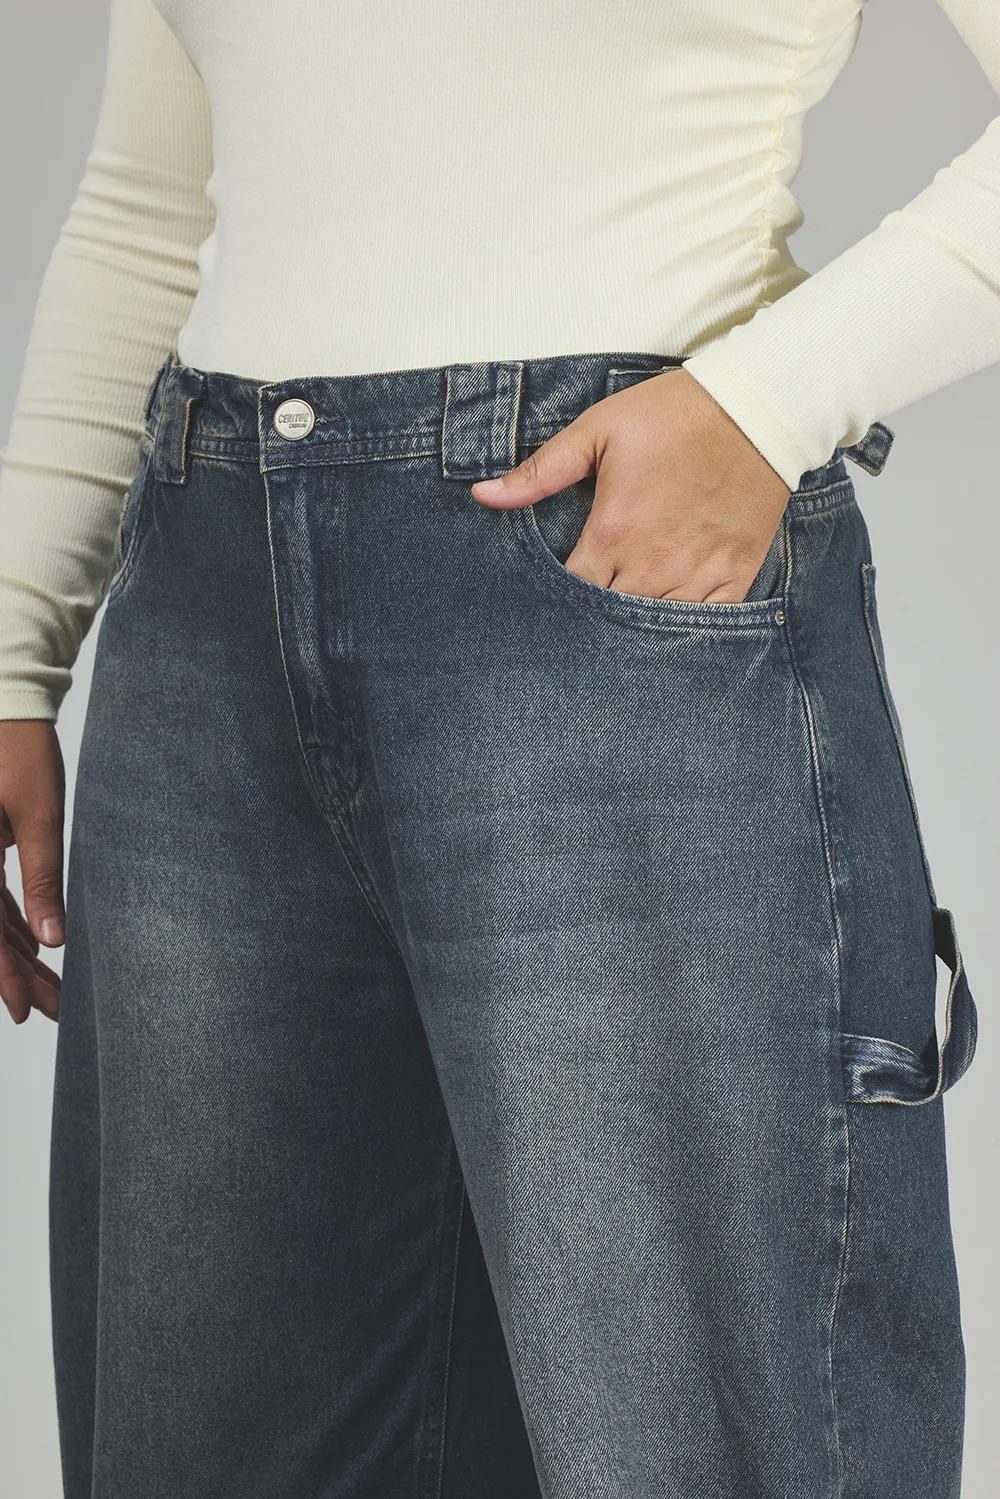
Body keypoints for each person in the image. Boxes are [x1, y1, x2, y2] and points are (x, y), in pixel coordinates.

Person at [0, 1, 995, 1494]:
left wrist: (768, 401)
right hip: (207, 625)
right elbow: (154, 200)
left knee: (701, 1440)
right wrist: (14, 641)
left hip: (609, 588)